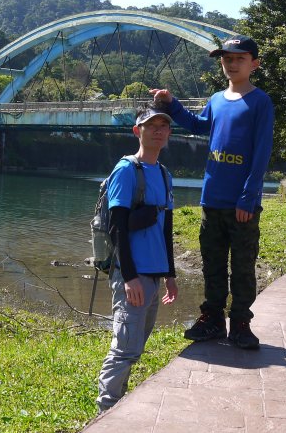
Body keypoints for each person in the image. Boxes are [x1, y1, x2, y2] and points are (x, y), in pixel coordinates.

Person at [151, 34, 274, 350]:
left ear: (254, 64)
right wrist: (171, 103)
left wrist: (248, 196)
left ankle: (241, 323)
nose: (232, 64)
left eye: (239, 59)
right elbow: (197, 124)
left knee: (243, 266)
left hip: (241, 203)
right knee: (212, 263)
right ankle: (213, 320)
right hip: (212, 198)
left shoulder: (260, 102)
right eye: (227, 59)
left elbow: (261, 153)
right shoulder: (217, 100)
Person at [96, 103, 178, 413]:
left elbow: (166, 227)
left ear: (169, 133)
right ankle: (106, 411)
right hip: (133, 275)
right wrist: (128, 277)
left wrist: (170, 275)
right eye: (151, 125)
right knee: (124, 350)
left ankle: (117, 405)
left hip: (154, 275)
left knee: (135, 348)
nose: (158, 130)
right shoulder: (127, 170)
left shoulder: (165, 174)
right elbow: (117, 226)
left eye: (163, 125)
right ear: (137, 131)